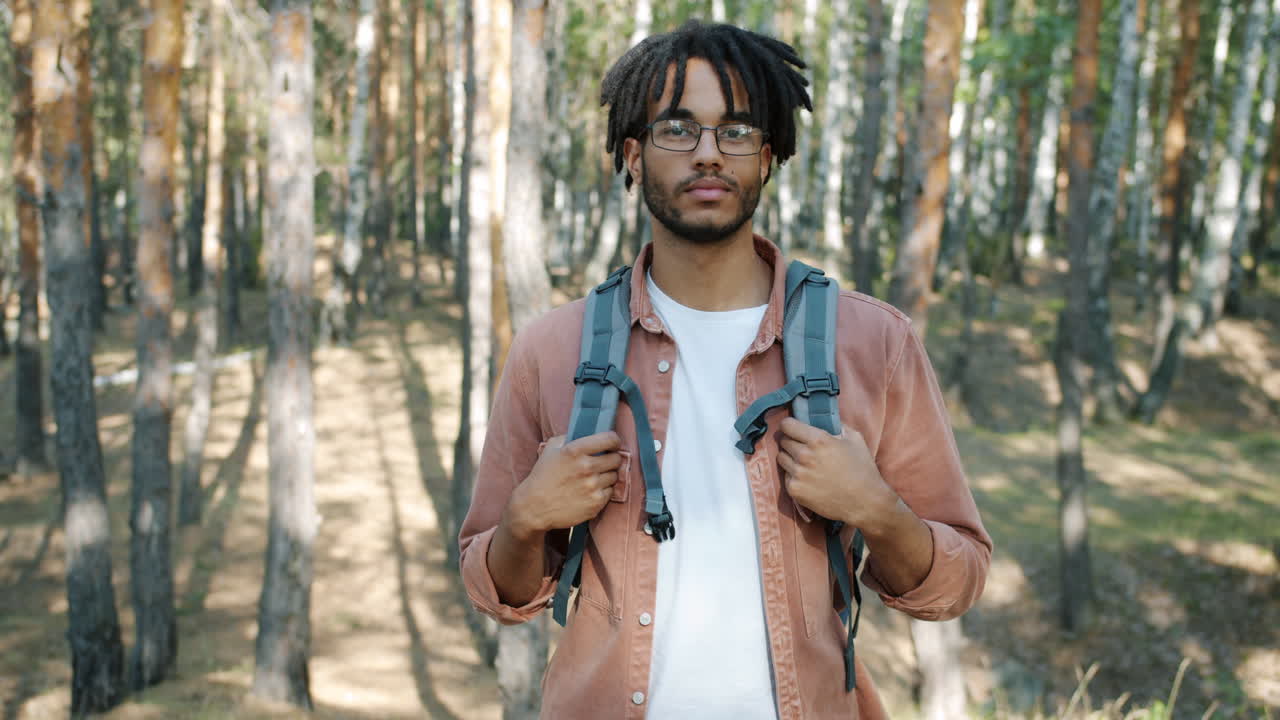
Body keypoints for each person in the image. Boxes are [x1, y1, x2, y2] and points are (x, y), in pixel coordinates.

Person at [458, 20, 992, 720]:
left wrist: (878, 510)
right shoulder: (552, 351)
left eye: (735, 132)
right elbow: (497, 591)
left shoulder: (872, 342)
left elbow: (957, 581)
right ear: (633, 154)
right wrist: (526, 519)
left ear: (767, 159)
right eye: (677, 130)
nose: (708, 154)